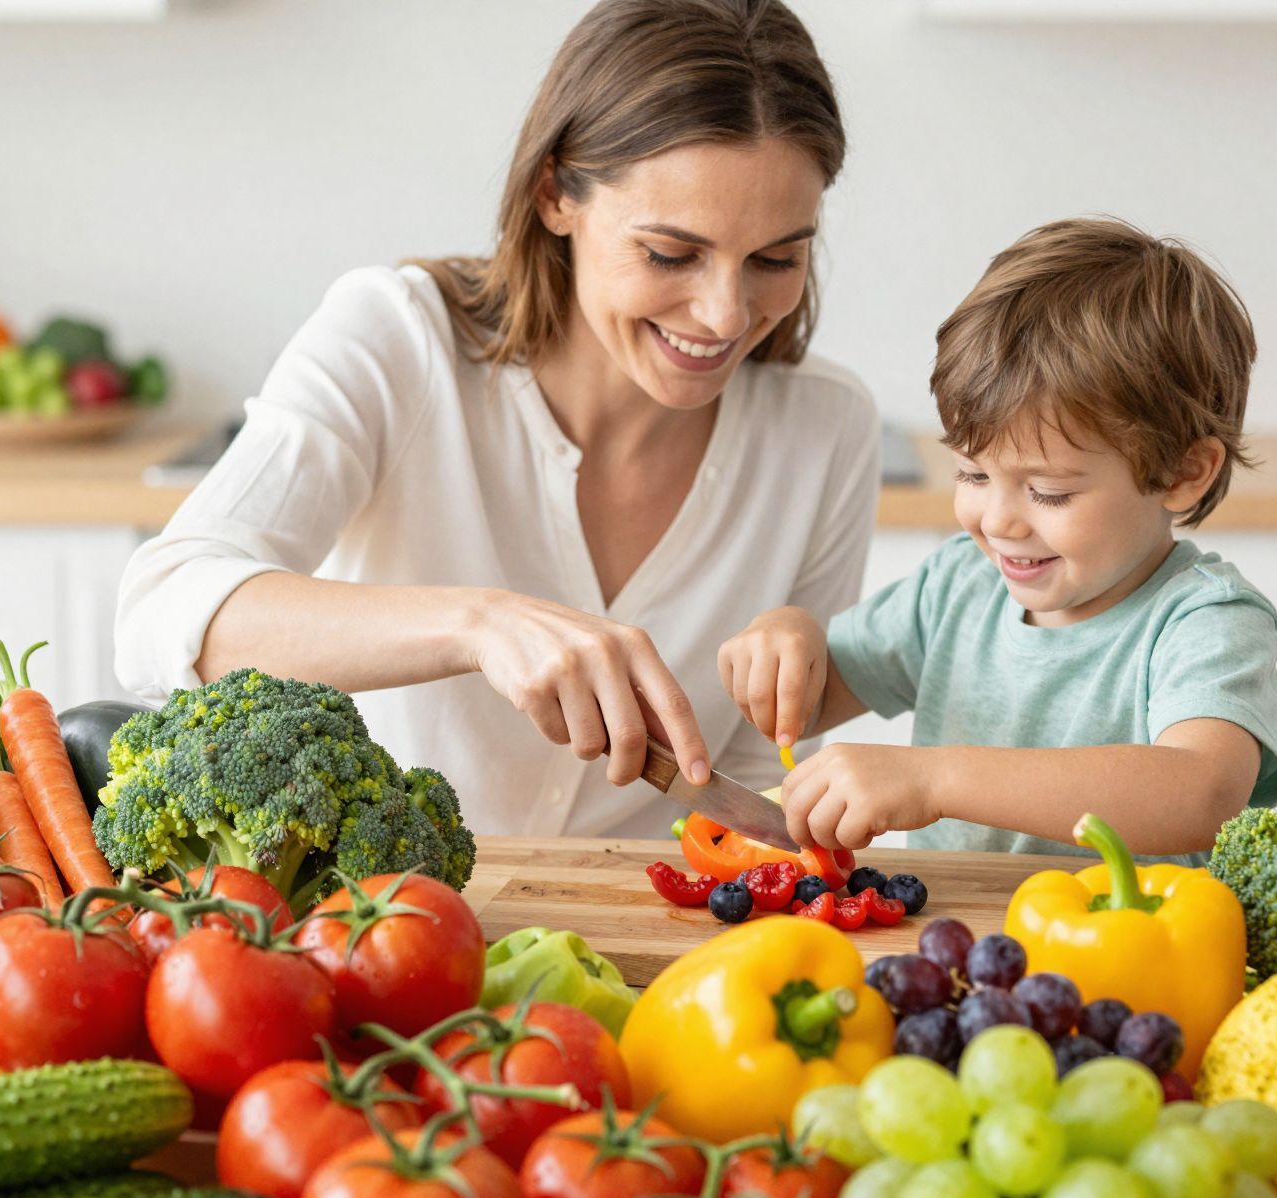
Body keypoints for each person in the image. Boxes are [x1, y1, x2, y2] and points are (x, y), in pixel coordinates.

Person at [114, 0, 878, 839]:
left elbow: (761, 779)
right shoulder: (400, 340)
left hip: (651, 934)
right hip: (388, 924)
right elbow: (162, 611)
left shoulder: (826, 430)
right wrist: (479, 623)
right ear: (556, 193)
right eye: (671, 254)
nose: (726, 313)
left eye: (777, 258)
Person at [719, 217, 1277, 861]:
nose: (997, 522)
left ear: (1184, 473)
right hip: (944, 951)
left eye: (1048, 491)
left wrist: (936, 779)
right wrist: (787, 637)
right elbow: (816, 698)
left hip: (1122, 956)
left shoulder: (1206, 621)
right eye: (973, 473)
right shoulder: (958, 584)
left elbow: (1201, 796)